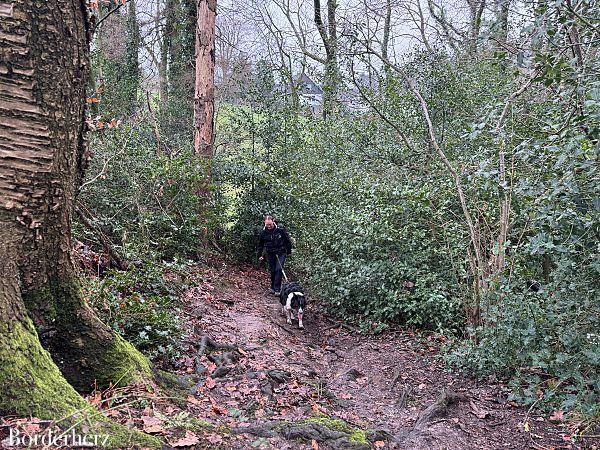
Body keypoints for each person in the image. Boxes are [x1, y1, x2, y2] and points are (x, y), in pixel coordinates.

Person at [256, 215, 293, 295]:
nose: (268, 226)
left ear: (273, 221)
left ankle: (277, 289)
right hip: (270, 253)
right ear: (264, 223)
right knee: (272, 270)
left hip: (281, 252)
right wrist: (259, 255)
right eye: (267, 224)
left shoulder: (280, 230)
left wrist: (289, 251)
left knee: (279, 269)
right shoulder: (263, 233)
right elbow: (260, 245)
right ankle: (272, 287)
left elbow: (287, 240)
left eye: (270, 224)